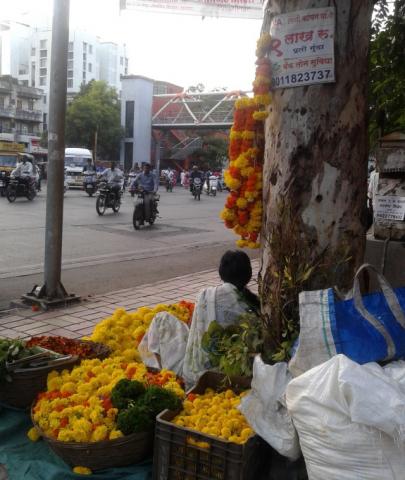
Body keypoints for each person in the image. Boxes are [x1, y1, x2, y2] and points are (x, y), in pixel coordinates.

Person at [138, 250, 258, 385]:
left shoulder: (207, 295)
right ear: (248, 275)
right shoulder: (254, 305)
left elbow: (193, 331)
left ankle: (158, 370)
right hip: (235, 370)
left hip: (196, 369)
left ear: (222, 273)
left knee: (162, 319)